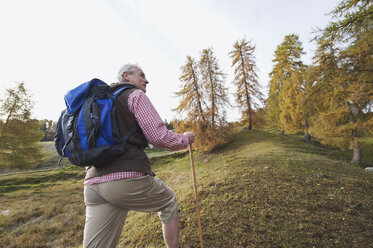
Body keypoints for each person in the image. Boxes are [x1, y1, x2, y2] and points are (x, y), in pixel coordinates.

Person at [83, 63, 195, 248]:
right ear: (126, 76)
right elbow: (158, 137)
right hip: (124, 180)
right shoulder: (134, 95)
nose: (146, 80)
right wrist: (185, 139)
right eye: (142, 75)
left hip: (93, 183)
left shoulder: (100, 104)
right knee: (168, 202)